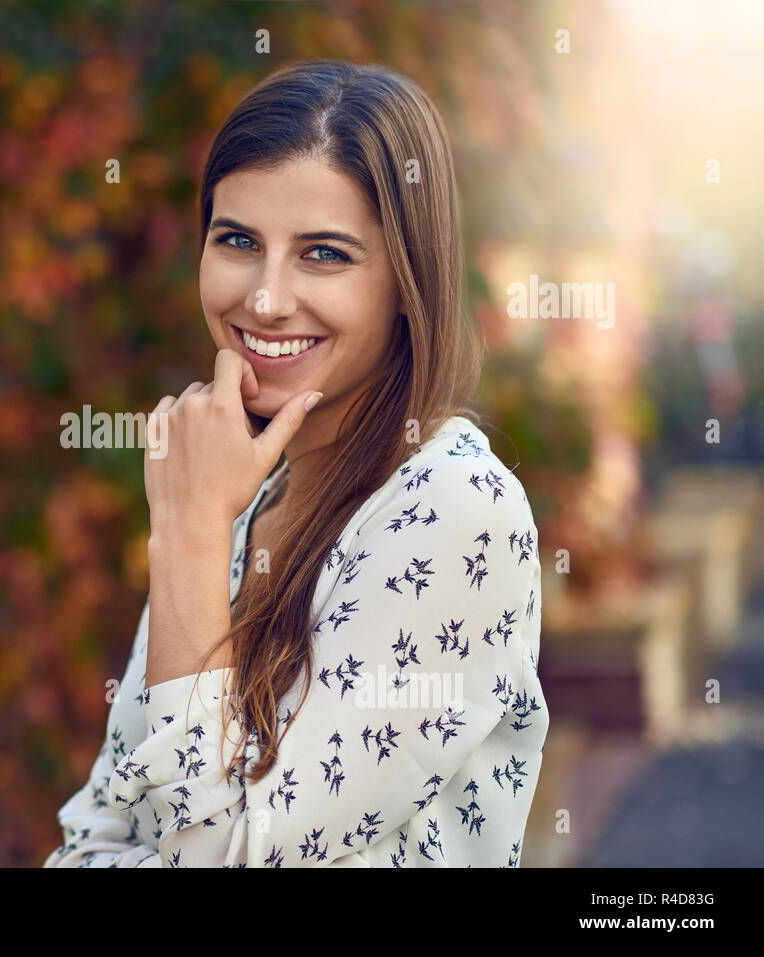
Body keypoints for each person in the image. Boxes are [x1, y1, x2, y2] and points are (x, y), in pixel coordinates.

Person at [44, 59, 546, 867]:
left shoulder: (454, 509)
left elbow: (228, 858)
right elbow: (94, 834)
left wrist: (189, 535)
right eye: (238, 240)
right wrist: (200, 529)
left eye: (324, 254)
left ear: (406, 282)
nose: (267, 299)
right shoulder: (240, 490)